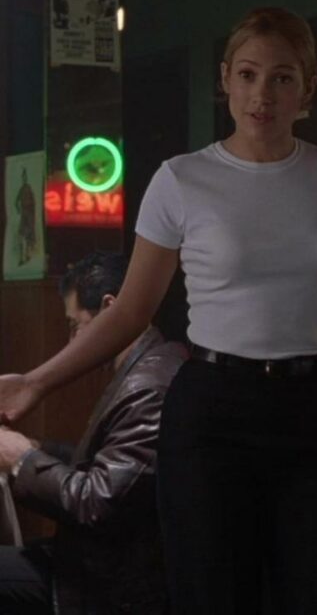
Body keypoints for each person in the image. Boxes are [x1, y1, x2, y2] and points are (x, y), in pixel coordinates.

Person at [1, 7, 317, 614]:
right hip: (210, 415)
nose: (262, 94)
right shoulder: (181, 179)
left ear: (307, 88)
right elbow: (129, 312)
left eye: (282, 78)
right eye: (248, 74)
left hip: (309, 413)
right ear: (226, 78)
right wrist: (34, 383)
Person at [0, 251, 187, 614]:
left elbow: (98, 503)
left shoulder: (149, 386)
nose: (72, 343)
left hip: (115, 583)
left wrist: (22, 459)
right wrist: (39, 448)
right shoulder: (144, 367)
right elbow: (110, 470)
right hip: (98, 562)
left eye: (75, 326)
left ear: (110, 308)